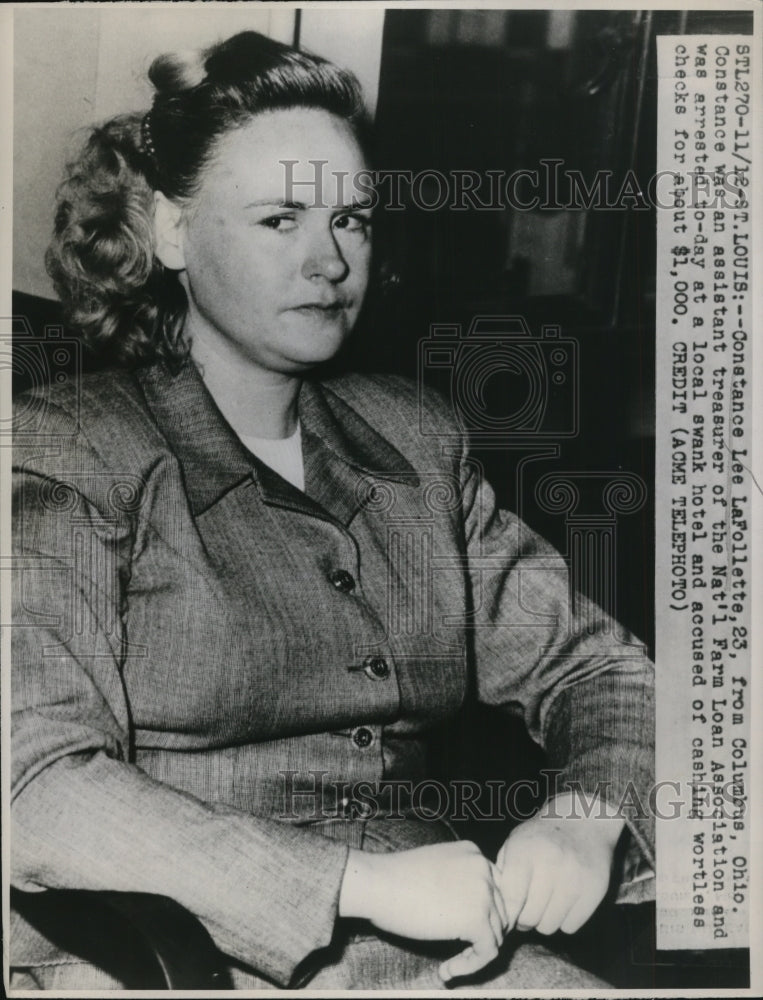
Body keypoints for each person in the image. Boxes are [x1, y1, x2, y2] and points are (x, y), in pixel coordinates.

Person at [11, 30, 655, 990]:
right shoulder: (64, 450)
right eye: (280, 221)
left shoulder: (414, 439)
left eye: (351, 220)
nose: (330, 263)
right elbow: (36, 792)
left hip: (439, 950)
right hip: (159, 957)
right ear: (172, 232)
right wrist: (356, 883)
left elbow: (602, 668)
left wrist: (585, 816)